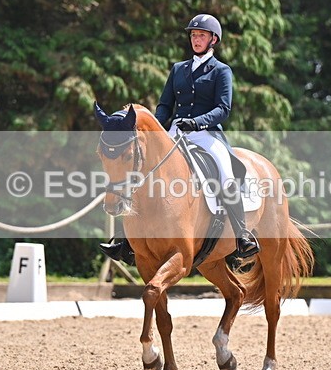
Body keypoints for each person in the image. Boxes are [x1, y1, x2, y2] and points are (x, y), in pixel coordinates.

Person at [99, 13, 260, 264]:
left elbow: (223, 108)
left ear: (213, 40)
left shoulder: (221, 71)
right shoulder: (178, 69)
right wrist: (152, 128)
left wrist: (197, 122)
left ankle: (242, 235)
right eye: (194, 35)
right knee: (142, 169)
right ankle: (126, 239)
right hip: (175, 132)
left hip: (206, 134)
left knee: (226, 171)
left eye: (202, 36)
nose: (196, 39)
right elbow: (165, 105)